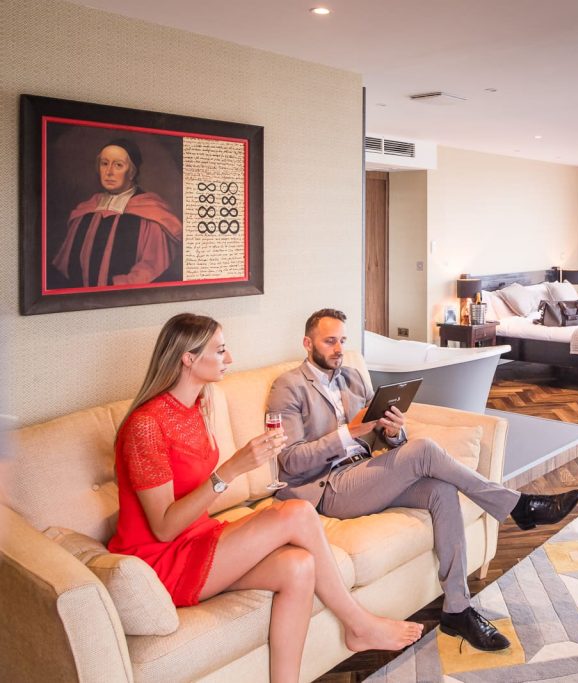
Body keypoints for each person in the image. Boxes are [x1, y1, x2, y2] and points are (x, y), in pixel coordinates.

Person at [108, 313, 422, 682]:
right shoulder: (146, 426)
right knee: (297, 513)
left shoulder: (197, 406)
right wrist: (230, 470)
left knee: (299, 566)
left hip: (197, 537)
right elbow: (163, 528)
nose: (229, 359)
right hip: (161, 559)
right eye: (220, 351)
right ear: (188, 358)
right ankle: (359, 623)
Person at [268, 308, 578, 652]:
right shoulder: (289, 387)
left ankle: (457, 609)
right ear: (307, 343)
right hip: (327, 487)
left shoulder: (352, 377)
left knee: (441, 490)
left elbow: (379, 436)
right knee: (424, 450)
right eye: (330, 341)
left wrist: (393, 432)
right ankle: (519, 505)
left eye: (342, 340)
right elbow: (290, 460)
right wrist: (348, 433)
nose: (339, 349)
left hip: (365, 473)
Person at [52, 137, 183, 288]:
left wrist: (112, 287)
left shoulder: (151, 213)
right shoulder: (86, 210)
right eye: (104, 164)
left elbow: (152, 268)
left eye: (118, 165)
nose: (109, 172)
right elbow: (64, 263)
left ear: (132, 172)